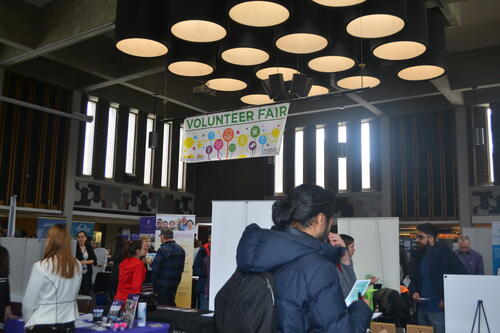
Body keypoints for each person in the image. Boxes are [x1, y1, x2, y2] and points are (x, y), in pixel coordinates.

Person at [236, 184, 372, 332]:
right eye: (330, 219)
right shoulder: (317, 267)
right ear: (321, 219)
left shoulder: (262, 256)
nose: (331, 223)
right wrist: (361, 309)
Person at [410, 223, 467, 333]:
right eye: (417, 236)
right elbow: (414, 276)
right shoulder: (418, 254)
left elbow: (461, 277)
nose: (417, 240)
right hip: (422, 307)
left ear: (431, 238)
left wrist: (447, 298)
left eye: (420, 237)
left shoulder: (446, 254)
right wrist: (414, 291)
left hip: (439, 309)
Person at [23, 226, 82, 332]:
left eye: (48, 237)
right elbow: (75, 293)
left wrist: (28, 320)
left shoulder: (41, 266)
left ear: (52, 240)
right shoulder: (77, 264)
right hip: (68, 322)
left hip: (44, 322)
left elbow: (29, 301)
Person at [152, 229, 185, 306]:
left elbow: (155, 269)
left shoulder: (162, 250)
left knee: (162, 309)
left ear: (163, 236)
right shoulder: (181, 249)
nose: (160, 238)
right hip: (174, 284)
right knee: (171, 305)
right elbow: (181, 268)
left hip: (161, 286)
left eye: (160, 236)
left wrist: (154, 285)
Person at [328, 232, 357, 298]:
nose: (354, 250)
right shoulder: (332, 264)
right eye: (352, 247)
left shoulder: (348, 262)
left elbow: (351, 284)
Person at [75, 231, 97, 295]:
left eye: (82, 237)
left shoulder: (89, 247)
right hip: (76, 273)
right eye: (78, 237)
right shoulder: (74, 247)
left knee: (86, 291)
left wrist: (85, 262)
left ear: (85, 238)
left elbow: (94, 260)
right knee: (76, 291)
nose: (80, 239)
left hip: (87, 273)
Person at [0, 246, 14, 333]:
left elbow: (5, 281)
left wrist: (7, 306)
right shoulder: (3, 251)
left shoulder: (3, 251)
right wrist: (7, 306)